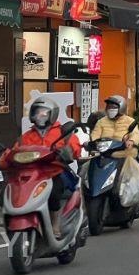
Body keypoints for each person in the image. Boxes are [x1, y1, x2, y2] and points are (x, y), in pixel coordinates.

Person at [20, 98, 82, 236]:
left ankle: (55, 224)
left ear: (52, 114)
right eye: (37, 112)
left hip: (53, 172)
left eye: (44, 113)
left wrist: (67, 152)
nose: (40, 116)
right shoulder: (27, 135)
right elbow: (15, 149)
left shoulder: (61, 132)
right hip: (31, 174)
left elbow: (75, 149)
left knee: (54, 192)